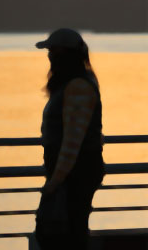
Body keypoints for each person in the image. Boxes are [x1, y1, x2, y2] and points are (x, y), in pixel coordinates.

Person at [35, 28, 104, 249]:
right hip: (73, 174)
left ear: (66, 55)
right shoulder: (74, 84)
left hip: (74, 175)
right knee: (69, 232)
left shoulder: (78, 87)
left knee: (62, 235)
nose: (49, 56)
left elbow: (73, 141)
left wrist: (55, 181)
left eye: (53, 51)